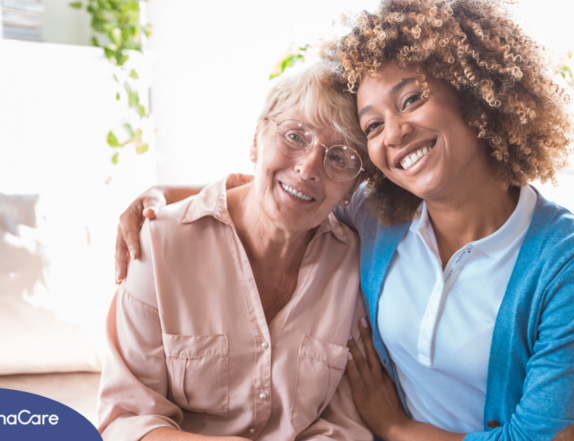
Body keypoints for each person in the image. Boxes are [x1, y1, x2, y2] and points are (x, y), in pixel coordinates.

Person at [114, 1, 574, 440]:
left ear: (475, 94)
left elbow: (547, 439)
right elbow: (284, 186)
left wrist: (395, 427)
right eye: (373, 124)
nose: (395, 133)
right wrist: (162, 196)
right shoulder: (380, 217)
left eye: (412, 99)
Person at [98, 62, 374, 441]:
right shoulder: (160, 245)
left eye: (340, 158)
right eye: (295, 136)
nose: (310, 167)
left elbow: (343, 425)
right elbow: (126, 420)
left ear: (353, 187)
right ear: (256, 139)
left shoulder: (354, 264)